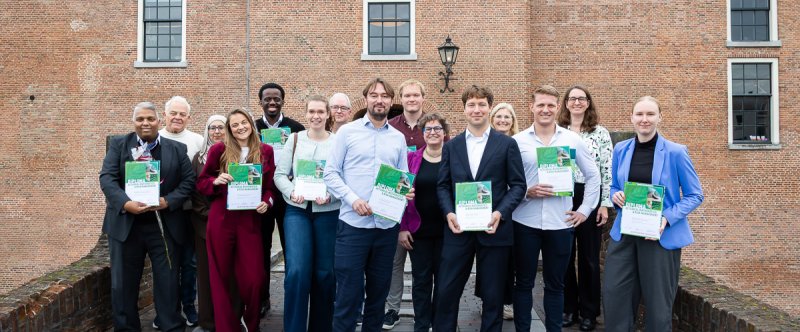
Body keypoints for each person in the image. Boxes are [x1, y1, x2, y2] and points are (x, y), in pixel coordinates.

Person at [602, 96, 704, 331]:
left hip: (659, 237)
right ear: (632, 118)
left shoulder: (676, 152)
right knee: (615, 296)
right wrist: (616, 195)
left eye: (650, 114)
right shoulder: (621, 149)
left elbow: (695, 195)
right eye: (639, 114)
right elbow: (615, 186)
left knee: (658, 308)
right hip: (625, 234)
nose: (644, 119)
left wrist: (666, 217)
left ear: (660, 117)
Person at [323, 78, 413, 332]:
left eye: (385, 96)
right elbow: (330, 173)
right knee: (348, 296)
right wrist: (353, 200)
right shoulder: (347, 132)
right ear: (366, 99)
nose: (379, 100)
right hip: (353, 226)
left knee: (378, 296)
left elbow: (402, 177)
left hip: (385, 228)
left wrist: (405, 192)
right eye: (374, 95)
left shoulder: (398, 138)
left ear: (391, 101)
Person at [434, 85, 527, 331]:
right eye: (471, 105)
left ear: (489, 108)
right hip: (458, 230)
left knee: (493, 296)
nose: (477, 109)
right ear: (464, 109)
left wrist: (500, 213)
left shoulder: (506, 144)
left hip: (494, 229)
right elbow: (442, 185)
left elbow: (518, 185)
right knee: (446, 291)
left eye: (482, 104)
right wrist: (449, 212)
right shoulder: (451, 146)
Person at [100, 102, 195, 331]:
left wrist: (168, 201)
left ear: (158, 121)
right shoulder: (119, 145)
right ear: (133, 122)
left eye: (150, 119)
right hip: (126, 224)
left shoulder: (177, 149)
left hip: (164, 224)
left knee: (168, 281)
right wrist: (126, 203)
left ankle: (171, 325)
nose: (145, 123)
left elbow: (188, 181)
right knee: (123, 284)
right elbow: (107, 178)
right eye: (140, 119)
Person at [511, 85, 600, 332]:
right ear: (531, 107)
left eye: (551, 105)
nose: (545, 109)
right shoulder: (517, 142)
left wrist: (585, 210)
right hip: (524, 222)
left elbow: (593, 176)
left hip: (560, 223)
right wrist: (526, 192)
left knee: (556, 286)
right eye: (540, 105)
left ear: (558, 107)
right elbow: (507, 181)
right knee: (523, 284)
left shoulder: (572, 140)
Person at [197, 109, 277, 332]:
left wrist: (267, 202)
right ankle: (227, 327)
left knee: (255, 279)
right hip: (221, 219)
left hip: (250, 221)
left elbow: (270, 188)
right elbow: (202, 182)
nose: (240, 127)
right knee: (220, 277)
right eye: (235, 125)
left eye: (244, 122)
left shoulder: (266, 151)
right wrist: (216, 181)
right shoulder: (219, 149)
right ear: (229, 130)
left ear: (251, 123)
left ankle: (251, 324)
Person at [274, 95, 341, 331]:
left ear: (328, 114)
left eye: (321, 112)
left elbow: (344, 178)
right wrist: (291, 192)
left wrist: (331, 195)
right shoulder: (294, 140)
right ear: (306, 114)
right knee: (297, 271)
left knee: (325, 273)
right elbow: (280, 175)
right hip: (298, 211)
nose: (316, 116)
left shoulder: (338, 143)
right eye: (312, 111)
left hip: (328, 212)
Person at [556, 86, 613, 331]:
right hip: (563, 196)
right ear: (566, 103)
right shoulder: (558, 132)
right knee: (565, 255)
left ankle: (589, 312)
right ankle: (569, 308)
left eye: (581, 99)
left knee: (589, 258)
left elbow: (607, 169)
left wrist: (605, 204)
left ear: (588, 102)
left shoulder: (600, 133)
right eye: (572, 99)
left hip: (590, 194)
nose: (577, 102)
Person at [254, 82, 305, 315]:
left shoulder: (296, 128)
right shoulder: (253, 128)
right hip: (262, 198)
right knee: (261, 249)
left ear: (283, 101)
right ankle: (263, 299)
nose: (272, 102)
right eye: (268, 99)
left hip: (288, 197)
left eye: (276, 98)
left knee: (291, 249)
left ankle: (291, 298)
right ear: (261, 102)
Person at [397, 112, 449, 332]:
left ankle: (440, 325)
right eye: (428, 129)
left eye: (437, 128)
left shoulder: (454, 158)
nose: (433, 132)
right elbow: (399, 195)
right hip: (418, 232)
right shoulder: (411, 159)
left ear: (444, 133)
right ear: (423, 133)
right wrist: (402, 228)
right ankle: (421, 324)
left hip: (448, 232)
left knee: (445, 283)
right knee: (421, 282)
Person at [383, 79, 428, 329]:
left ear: (423, 98)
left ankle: (425, 313)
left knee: (424, 267)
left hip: (424, 206)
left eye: (416, 95)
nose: (412, 99)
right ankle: (392, 310)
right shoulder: (389, 127)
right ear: (401, 99)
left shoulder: (432, 126)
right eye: (407, 95)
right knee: (393, 263)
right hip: (395, 204)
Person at [157, 95, 204, 327]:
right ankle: (167, 312)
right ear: (164, 115)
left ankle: (189, 306)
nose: (177, 117)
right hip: (160, 212)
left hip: (188, 211)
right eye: (173, 113)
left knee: (190, 263)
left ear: (189, 117)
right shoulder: (155, 138)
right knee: (166, 263)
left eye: (182, 114)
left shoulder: (197, 140)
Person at [483, 101, 521, 321]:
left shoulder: (518, 142)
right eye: (499, 116)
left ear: (512, 121)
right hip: (488, 209)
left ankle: (506, 301)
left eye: (507, 117)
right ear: (492, 119)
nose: (503, 120)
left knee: (509, 260)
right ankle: (488, 301)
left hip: (516, 209)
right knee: (489, 259)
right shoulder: (483, 142)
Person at [190, 115, 227, 332]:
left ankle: (230, 319)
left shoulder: (235, 155)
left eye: (221, 127)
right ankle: (207, 321)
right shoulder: (198, 158)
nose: (217, 132)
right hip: (204, 224)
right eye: (212, 128)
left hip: (230, 222)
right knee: (205, 275)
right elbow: (194, 190)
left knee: (228, 274)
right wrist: (209, 214)